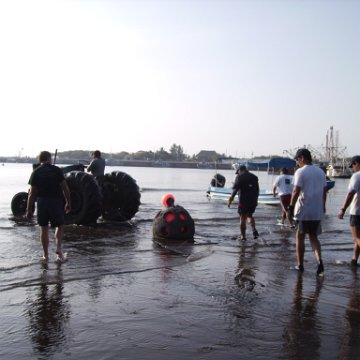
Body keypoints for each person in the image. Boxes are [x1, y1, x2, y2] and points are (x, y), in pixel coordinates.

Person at [26, 151, 71, 262]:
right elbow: (65, 187)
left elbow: (32, 193)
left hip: (42, 202)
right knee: (59, 225)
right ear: (49, 158)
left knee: (43, 228)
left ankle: (46, 255)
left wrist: (29, 209)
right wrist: (68, 202)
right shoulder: (56, 170)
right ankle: (59, 249)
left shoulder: (36, 172)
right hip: (56, 201)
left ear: (40, 160)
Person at [288, 148, 327, 276]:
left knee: (300, 236)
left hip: (304, 210)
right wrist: (323, 207)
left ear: (302, 158)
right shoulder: (321, 172)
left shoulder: (300, 171)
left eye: (297, 160)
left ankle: (300, 265)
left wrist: (291, 207)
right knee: (313, 237)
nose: (297, 162)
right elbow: (324, 192)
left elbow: (296, 191)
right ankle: (319, 262)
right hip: (317, 210)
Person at [338, 155, 360, 267]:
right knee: (358, 239)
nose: (352, 168)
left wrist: (343, 209)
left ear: (357, 163)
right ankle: (354, 261)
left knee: (356, 238)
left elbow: (350, 194)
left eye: (353, 166)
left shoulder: (356, 176)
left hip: (356, 212)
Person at [228, 165, 259, 240]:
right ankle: (254, 230)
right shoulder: (254, 177)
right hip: (253, 200)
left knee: (242, 217)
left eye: (238, 172)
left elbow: (235, 190)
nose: (238, 173)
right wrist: (256, 200)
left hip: (243, 201)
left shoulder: (239, 177)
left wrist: (230, 200)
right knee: (249, 216)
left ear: (240, 170)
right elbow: (257, 190)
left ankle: (243, 236)